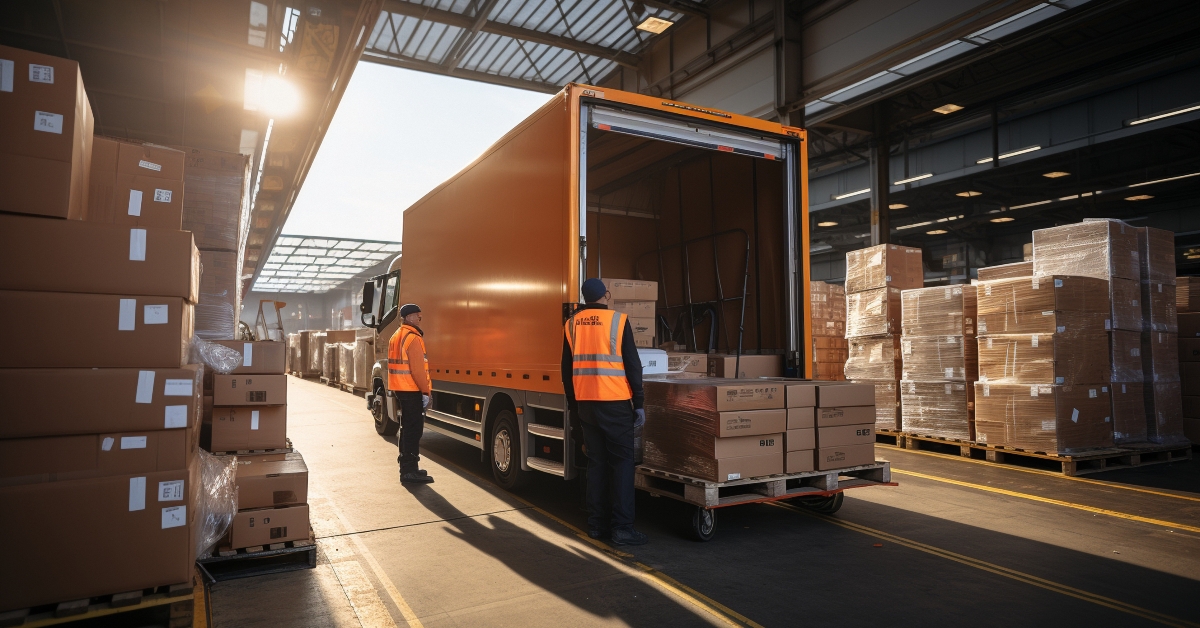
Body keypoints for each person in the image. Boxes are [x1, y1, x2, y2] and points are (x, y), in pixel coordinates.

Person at [562, 278, 647, 546]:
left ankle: (597, 525)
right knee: (622, 464)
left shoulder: (571, 324)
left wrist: (574, 406)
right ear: (606, 295)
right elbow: (633, 365)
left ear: (585, 298)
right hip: (615, 402)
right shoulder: (619, 322)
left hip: (586, 404)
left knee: (596, 464)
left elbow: (566, 371)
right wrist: (640, 402)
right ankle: (622, 528)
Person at [389, 303, 433, 484]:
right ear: (408, 318)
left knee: (407, 428)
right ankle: (409, 471)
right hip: (412, 388)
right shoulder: (413, 338)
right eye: (417, 316)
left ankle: (408, 467)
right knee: (413, 430)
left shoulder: (396, 336)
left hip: (400, 388)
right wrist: (426, 392)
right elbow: (418, 370)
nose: (420, 319)